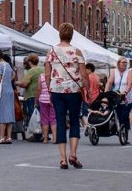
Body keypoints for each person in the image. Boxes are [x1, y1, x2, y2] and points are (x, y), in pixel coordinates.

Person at [45, 23, 89, 170]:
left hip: (57, 90)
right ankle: (73, 154)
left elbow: (46, 73)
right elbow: (83, 74)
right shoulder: (77, 52)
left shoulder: (51, 51)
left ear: (59, 35)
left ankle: (63, 159)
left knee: (60, 122)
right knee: (75, 122)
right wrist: (86, 89)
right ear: (72, 35)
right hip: (74, 91)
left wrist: (50, 89)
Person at [105, 57, 132, 135]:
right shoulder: (113, 71)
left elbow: (129, 84)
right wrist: (105, 93)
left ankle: (125, 130)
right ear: (118, 63)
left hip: (128, 97)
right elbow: (109, 82)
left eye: (126, 62)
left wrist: (125, 92)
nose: (125, 64)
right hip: (117, 97)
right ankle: (121, 130)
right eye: (123, 62)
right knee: (118, 114)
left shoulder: (129, 72)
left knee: (124, 114)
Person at [16, 54, 43, 123]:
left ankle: (37, 132)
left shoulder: (30, 71)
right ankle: (43, 132)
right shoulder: (43, 69)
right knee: (42, 116)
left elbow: (24, 84)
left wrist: (15, 83)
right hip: (42, 95)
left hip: (32, 95)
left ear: (29, 62)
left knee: (34, 116)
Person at [36, 65, 56, 144]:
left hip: (43, 99)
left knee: (44, 119)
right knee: (53, 119)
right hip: (53, 99)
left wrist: (36, 99)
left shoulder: (41, 76)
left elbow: (39, 89)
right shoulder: (54, 76)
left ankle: (45, 139)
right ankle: (55, 139)